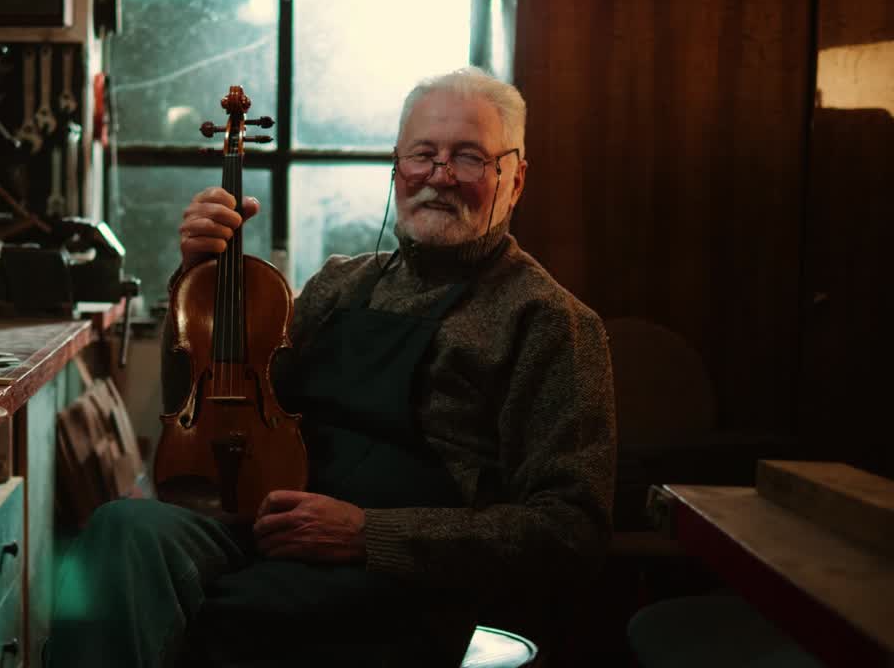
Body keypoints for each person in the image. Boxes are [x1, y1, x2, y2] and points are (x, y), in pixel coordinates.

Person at [46, 67, 616, 667]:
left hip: (405, 580)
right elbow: (209, 418)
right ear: (397, 167)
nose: (440, 177)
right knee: (120, 532)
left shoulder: (551, 323)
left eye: (469, 158)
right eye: (423, 154)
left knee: (230, 619)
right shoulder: (340, 285)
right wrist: (198, 278)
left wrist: (369, 534)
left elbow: (570, 532)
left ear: (516, 178)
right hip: (270, 534)